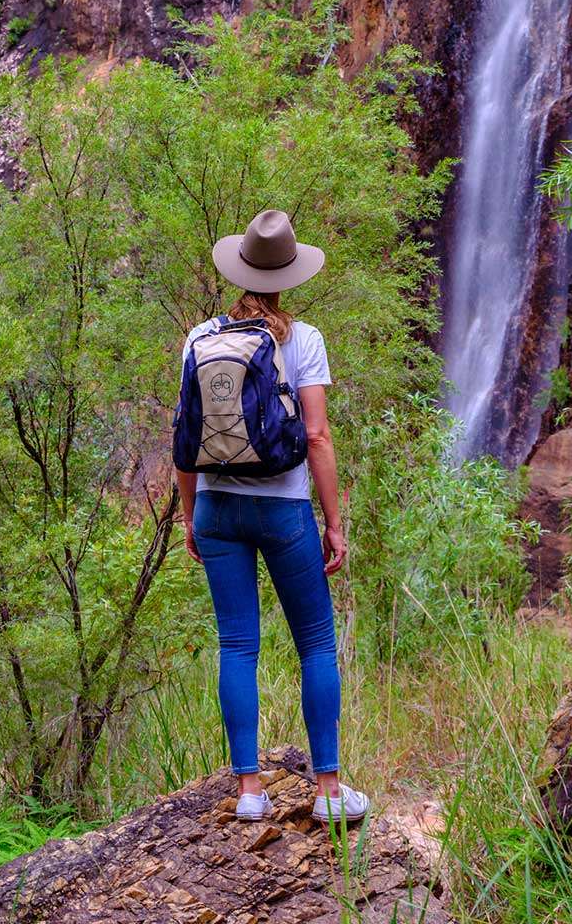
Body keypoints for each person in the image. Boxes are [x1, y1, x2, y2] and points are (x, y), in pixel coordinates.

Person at [176, 209, 370, 825]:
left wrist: (190, 515)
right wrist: (333, 523)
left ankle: (250, 791)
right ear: (288, 274)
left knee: (237, 644)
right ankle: (330, 792)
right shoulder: (303, 340)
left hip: (217, 507)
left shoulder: (200, 338)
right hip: (285, 511)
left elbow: (184, 434)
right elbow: (316, 436)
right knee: (316, 644)